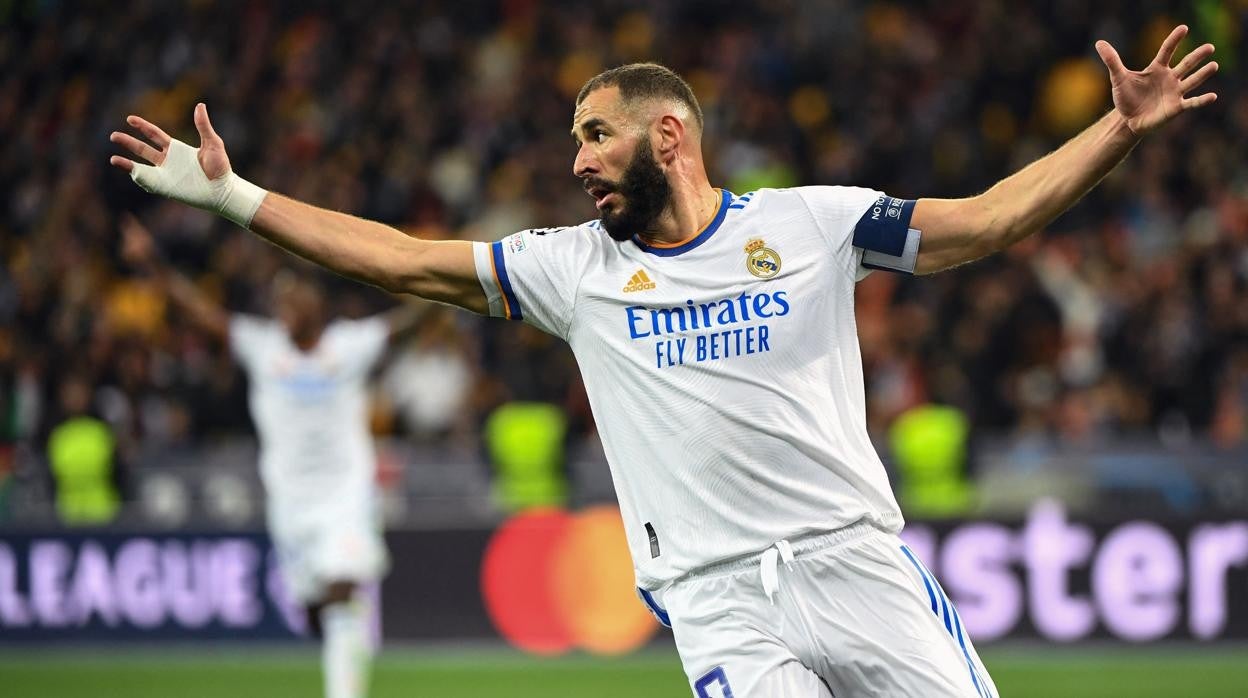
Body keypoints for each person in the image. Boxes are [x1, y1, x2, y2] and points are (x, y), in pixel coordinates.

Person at [109, 26, 1217, 697]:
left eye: (597, 134)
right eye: (575, 140)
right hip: (718, 599)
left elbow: (982, 221)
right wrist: (235, 198)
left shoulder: (815, 223)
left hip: (855, 563)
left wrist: (1118, 132)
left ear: (670, 135)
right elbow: (403, 259)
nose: (578, 159)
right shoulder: (571, 268)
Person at [120, 216, 425, 698]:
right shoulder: (261, 348)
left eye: (293, 299)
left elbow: (406, 323)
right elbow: (198, 310)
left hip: (345, 490)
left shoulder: (349, 346)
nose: (284, 307)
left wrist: (457, 283)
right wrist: (153, 264)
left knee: (340, 590)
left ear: (315, 308)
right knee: (313, 609)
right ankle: (344, 639)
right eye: (280, 299)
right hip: (290, 501)